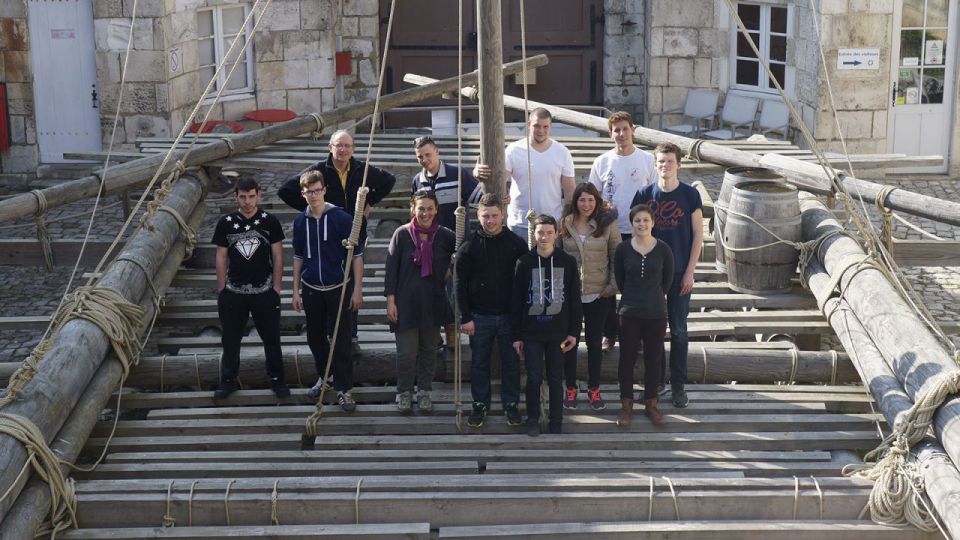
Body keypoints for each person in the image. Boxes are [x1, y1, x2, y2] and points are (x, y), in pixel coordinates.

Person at [278, 129, 397, 352]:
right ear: (330, 148)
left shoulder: (361, 169)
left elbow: (389, 180)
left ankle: (350, 337)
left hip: (353, 234)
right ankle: (328, 337)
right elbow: (285, 190)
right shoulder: (319, 171)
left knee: (350, 284)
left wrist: (370, 201)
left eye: (347, 146)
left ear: (352, 149)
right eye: (338, 145)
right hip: (326, 235)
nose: (343, 150)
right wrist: (312, 208)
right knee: (330, 285)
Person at [631, 142, 704, 409]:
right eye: (660, 162)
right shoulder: (644, 194)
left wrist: (690, 272)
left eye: (670, 161)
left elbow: (698, 235)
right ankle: (656, 383)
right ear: (655, 164)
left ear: (679, 164)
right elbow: (634, 234)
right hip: (649, 276)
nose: (665, 166)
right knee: (652, 332)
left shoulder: (689, 196)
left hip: (679, 273)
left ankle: (678, 386)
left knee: (679, 331)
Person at [291, 170, 365, 412]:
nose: (313, 195)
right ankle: (326, 377)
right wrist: (294, 290)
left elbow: (357, 256)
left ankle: (344, 389)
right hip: (312, 287)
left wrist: (357, 290)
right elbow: (298, 257)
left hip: (339, 288)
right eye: (308, 192)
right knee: (314, 338)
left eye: (316, 190)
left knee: (342, 340)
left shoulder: (341, 218)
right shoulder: (300, 221)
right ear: (303, 194)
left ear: (324, 190)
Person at [455, 193, 528, 428]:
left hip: (509, 316)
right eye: (485, 216)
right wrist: (465, 317)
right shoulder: (469, 246)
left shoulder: (517, 244)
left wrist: (522, 319)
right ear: (478, 216)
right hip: (479, 316)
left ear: (503, 215)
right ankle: (480, 404)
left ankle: (510, 404)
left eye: (495, 216)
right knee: (479, 363)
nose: (490, 220)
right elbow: (459, 284)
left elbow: (525, 283)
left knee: (511, 362)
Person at [212, 177, 287, 399]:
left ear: (258, 195)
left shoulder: (269, 221)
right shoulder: (226, 222)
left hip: (264, 292)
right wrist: (221, 289)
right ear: (236, 197)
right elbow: (221, 257)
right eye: (242, 197)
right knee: (231, 340)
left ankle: (277, 379)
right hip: (234, 293)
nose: (247, 202)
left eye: (251, 196)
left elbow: (278, 255)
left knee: (272, 339)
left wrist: (276, 288)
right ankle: (228, 380)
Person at [588, 111, 657, 352]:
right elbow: (593, 197)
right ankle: (610, 333)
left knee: (636, 284)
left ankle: (635, 335)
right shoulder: (602, 161)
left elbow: (655, 194)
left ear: (633, 131)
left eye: (625, 129)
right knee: (609, 283)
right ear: (610, 134)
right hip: (610, 229)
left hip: (639, 231)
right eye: (616, 130)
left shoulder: (647, 160)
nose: (621, 134)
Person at [384, 190, 456, 413]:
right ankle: (404, 391)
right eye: (421, 208)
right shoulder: (401, 234)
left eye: (429, 209)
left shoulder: (445, 236)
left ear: (436, 210)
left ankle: (424, 391)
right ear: (413, 209)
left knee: (428, 350)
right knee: (406, 352)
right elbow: (391, 269)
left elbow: (464, 253)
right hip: (405, 303)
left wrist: (451, 270)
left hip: (432, 302)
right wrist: (390, 300)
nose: (425, 213)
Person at [512, 215, 582, 436]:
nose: (544, 237)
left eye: (548, 232)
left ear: (556, 234)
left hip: (558, 333)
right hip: (532, 333)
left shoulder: (568, 262)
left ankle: (556, 420)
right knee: (533, 377)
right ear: (534, 234)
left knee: (555, 376)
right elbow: (516, 302)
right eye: (540, 232)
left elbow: (574, 300)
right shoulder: (524, 263)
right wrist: (517, 335)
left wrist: (574, 332)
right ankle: (533, 418)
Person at [557, 183, 620, 411]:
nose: (586, 205)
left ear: (597, 201)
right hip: (571, 296)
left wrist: (612, 286)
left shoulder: (607, 223)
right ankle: (571, 388)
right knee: (568, 343)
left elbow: (616, 254)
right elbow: (556, 256)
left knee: (594, 343)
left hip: (599, 293)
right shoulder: (564, 223)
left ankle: (594, 388)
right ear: (575, 201)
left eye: (591, 200)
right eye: (582, 200)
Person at [614, 204, 674, 427]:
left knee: (653, 359)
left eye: (645, 220)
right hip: (629, 312)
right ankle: (626, 405)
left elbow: (666, 282)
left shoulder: (663, 249)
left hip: (656, 313)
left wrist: (652, 297)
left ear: (653, 223)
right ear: (632, 224)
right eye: (637, 221)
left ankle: (651, 403)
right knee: (626, 360)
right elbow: (620, 280)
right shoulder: (622, 249)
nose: (641, 224)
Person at [504, 108, 576, 241]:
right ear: (529, 124)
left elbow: (569, 192)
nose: (541, 131)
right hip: (520, 224)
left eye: (545, 126)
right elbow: (499, 178)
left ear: (551, 127)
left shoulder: (562, 152)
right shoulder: (513, 150)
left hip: (550, 227)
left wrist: (567, 222)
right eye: (536, 126)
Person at [411, 135, 489, 235]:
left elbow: (483, 200)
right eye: (420, 157)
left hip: (457, 242)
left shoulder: (457, 174)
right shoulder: (417, 181)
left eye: (427, 155)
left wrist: (502, 194)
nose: (424, 160)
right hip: (429, 244)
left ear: (437, 151)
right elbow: (414, 213)